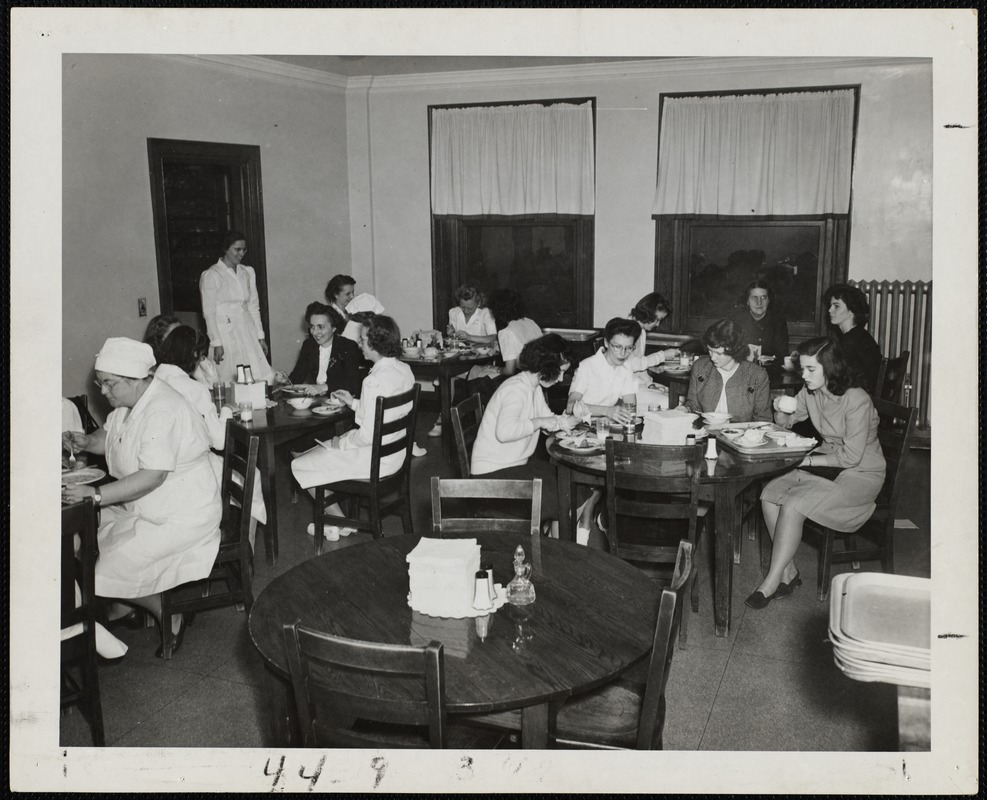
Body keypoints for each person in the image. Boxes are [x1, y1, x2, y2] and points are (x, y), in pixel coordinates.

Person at [61, 337, 221, 657]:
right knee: (85, 537)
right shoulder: (129, 403)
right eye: (100, 382)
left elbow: (152, 476)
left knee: (103, 568)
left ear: (136, 379)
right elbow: (109, 436)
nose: (103, 391)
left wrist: (95, 494)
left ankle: (166, 609)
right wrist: (84, 441)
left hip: (181, 512)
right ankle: (126, 603)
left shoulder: (163, 408)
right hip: (146, 503)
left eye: (109, 384)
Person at [748, 337, 886, 609]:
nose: (804, 375)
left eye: (811, 369)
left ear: (830, 367)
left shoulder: (856, 399)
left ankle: (772, 581)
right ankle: (789, 571)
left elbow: (851, 456)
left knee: (793, 504)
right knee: (769, 495)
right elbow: (788, 422)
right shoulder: (810, 390)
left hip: (861, 473)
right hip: (826, 464)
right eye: (802, 368)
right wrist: (781, 412)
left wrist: (807, 461)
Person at [291, 316, 417, 526]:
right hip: (395, 454)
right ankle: (337, 520)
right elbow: (383, 411)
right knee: (321, 452)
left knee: (300, 463)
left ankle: (339, 522)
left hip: (375, 460)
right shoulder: (404, 370)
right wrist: (353, 402)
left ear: (374, 344)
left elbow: (367, 435)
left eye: (362, 340)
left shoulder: (372, 380)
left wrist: (339, 443)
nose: (359, 344)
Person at [564, 317, 680, 540]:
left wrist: (630, 414)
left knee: (630, 465)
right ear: (606, 342)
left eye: (629, 348)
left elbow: (630, 405)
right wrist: (607, 411)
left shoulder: (626, 368)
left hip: (604, 432)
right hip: (578, 431)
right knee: (605, 474)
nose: (622, 353)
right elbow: (570, 407)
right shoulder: (588, 366)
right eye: (617, 346)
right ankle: (591, 517)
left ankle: (600, 517)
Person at [154, 325, 268, 536]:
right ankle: (247, 545)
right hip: (189, 471)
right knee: (253, 477)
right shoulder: (193, 389)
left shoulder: (153, 380)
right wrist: (226, 410)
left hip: (157, 469)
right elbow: (219, 441)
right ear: (195, 355)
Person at [470, 334, 579, 531]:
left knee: (570, 486)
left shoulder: (533, 386)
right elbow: (504, 432)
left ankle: (554, 543)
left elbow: (547, 420)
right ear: (545, 367)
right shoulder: (516, 390)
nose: (562, 379)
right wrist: (541, 421)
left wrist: (569, 421)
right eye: (560, 372)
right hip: (493, 474)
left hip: (514, 464)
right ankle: (559, 547)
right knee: (567, 495)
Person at [199, 231, 273, 383]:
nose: (241, 254)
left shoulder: (247, 272)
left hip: (247, 329)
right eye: (237, 249)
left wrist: (260, 336)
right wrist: (216, 343)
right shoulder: (212, 275)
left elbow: (253, 306)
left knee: (258, 375)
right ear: (225, 249)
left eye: (244, 249)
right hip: (225, 332)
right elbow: (209, 313)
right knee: (229, 377)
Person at [427, 284, 498, 439]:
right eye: (463, 307)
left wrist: (469, 337)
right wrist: (451, 333)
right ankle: (442, 420)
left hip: (481, 360)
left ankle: (447, 420)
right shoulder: (454, 312)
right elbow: (452, 336)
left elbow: (493, 337)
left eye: (470, 308)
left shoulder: (485, 313)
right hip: (461, 358)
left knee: (449, 376)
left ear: (478, 303)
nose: (465, 311)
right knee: (447, 376)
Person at [683, 319, 771, 422]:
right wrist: (684, 409)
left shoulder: (756, 375)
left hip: (742, 434)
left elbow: (763, 420)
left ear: (734, 350)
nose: (713, 357)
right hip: (706, 431)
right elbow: (693, 405)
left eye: (719, 353)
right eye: (710, 351)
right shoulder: (700, 367)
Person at [288, 302, 363, 397]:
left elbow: (352, 384)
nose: (315, 332)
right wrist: (286, 380)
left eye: (321, 327)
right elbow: (297, 377)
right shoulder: (309, 346)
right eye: (312, 327)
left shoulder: (347, 346)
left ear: (334, 328)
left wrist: (324, 387)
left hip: (341, 401)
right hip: (318, 401)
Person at [823, 283, 882, 394]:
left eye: (836, 306)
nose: (830, 310)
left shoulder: (849, 343)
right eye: (831, 306)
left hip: (858, 402)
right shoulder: (861, 336)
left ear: (851, 311)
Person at [143, 314, 219, 387]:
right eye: (176, 334)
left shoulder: (185, 361)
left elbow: (214, 384)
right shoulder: (152, 369)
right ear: (162, 339)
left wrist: (200, 357)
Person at [729, 279, 790, 360]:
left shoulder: (778, 322)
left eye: (763, 298)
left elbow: (783, 355)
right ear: (747, 301)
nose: (759, 303)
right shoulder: (737, 320)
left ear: (768, 300)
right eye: (754, 298)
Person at [629, 291, 672, 359]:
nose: (657, 324)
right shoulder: (628, 330)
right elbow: (633, 364)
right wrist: (662, 356)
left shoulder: (642, 330)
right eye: (657, 319)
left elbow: (640, 361)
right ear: (647, 313)